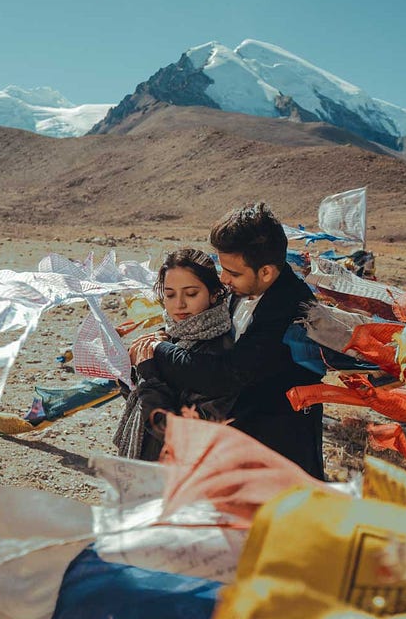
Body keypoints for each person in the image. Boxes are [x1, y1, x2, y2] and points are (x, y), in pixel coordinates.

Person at [130, 202, 325, 479]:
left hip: (276, 453)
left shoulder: (294, 310)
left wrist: (156, 351)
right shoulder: (245, 289)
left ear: (266, 272)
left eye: (233, 273)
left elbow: (224, 375)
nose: (224, 279)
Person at [113, 248, 234, 461]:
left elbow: (179, 435)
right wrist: (129, 376)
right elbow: (142, 404)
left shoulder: (217, 353)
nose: (179, 304)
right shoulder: (170, 335)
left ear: (214, 293)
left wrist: (148, 378)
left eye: (191, 294)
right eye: (170, 294)